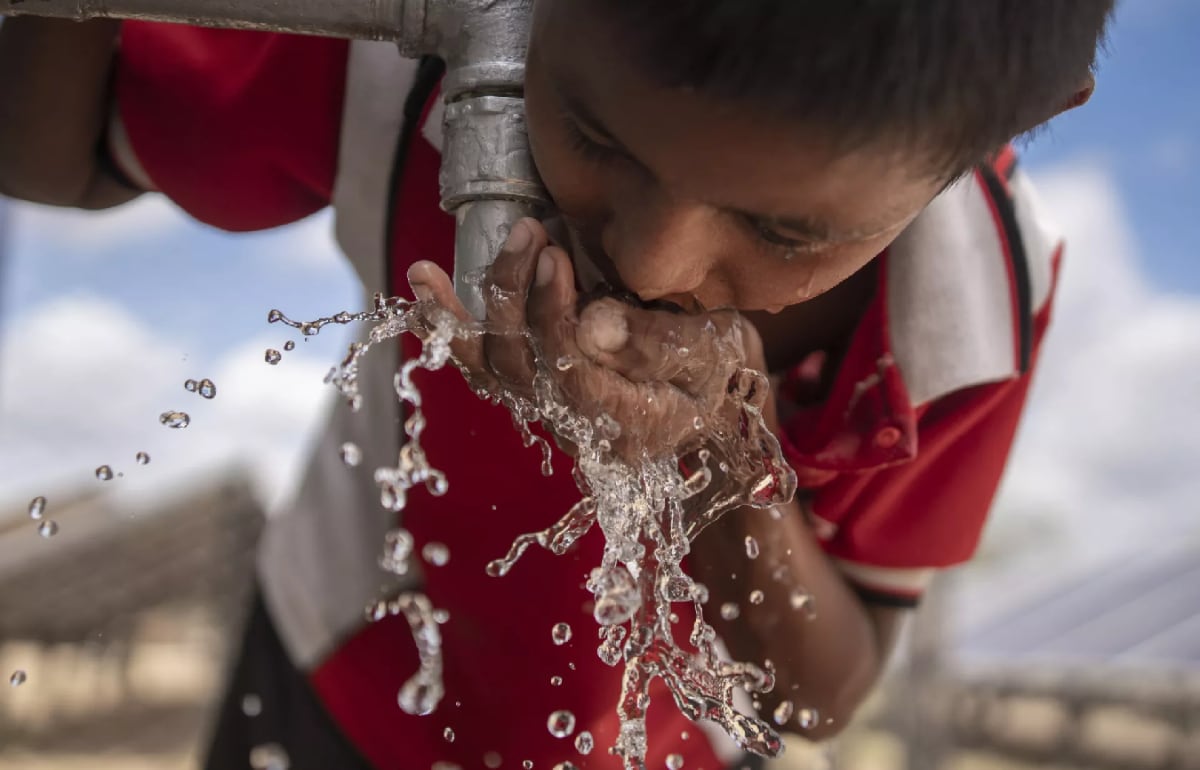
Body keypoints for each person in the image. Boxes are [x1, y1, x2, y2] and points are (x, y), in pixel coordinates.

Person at [0, 1, 1115, 768]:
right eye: (592, 132)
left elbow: (815, 693)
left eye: (783, 229)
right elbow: (51, 147)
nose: (653, 263)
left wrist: (720, 462)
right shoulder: (420, 54)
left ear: (1014, 123)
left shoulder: (974, 308)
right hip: (339, 680)